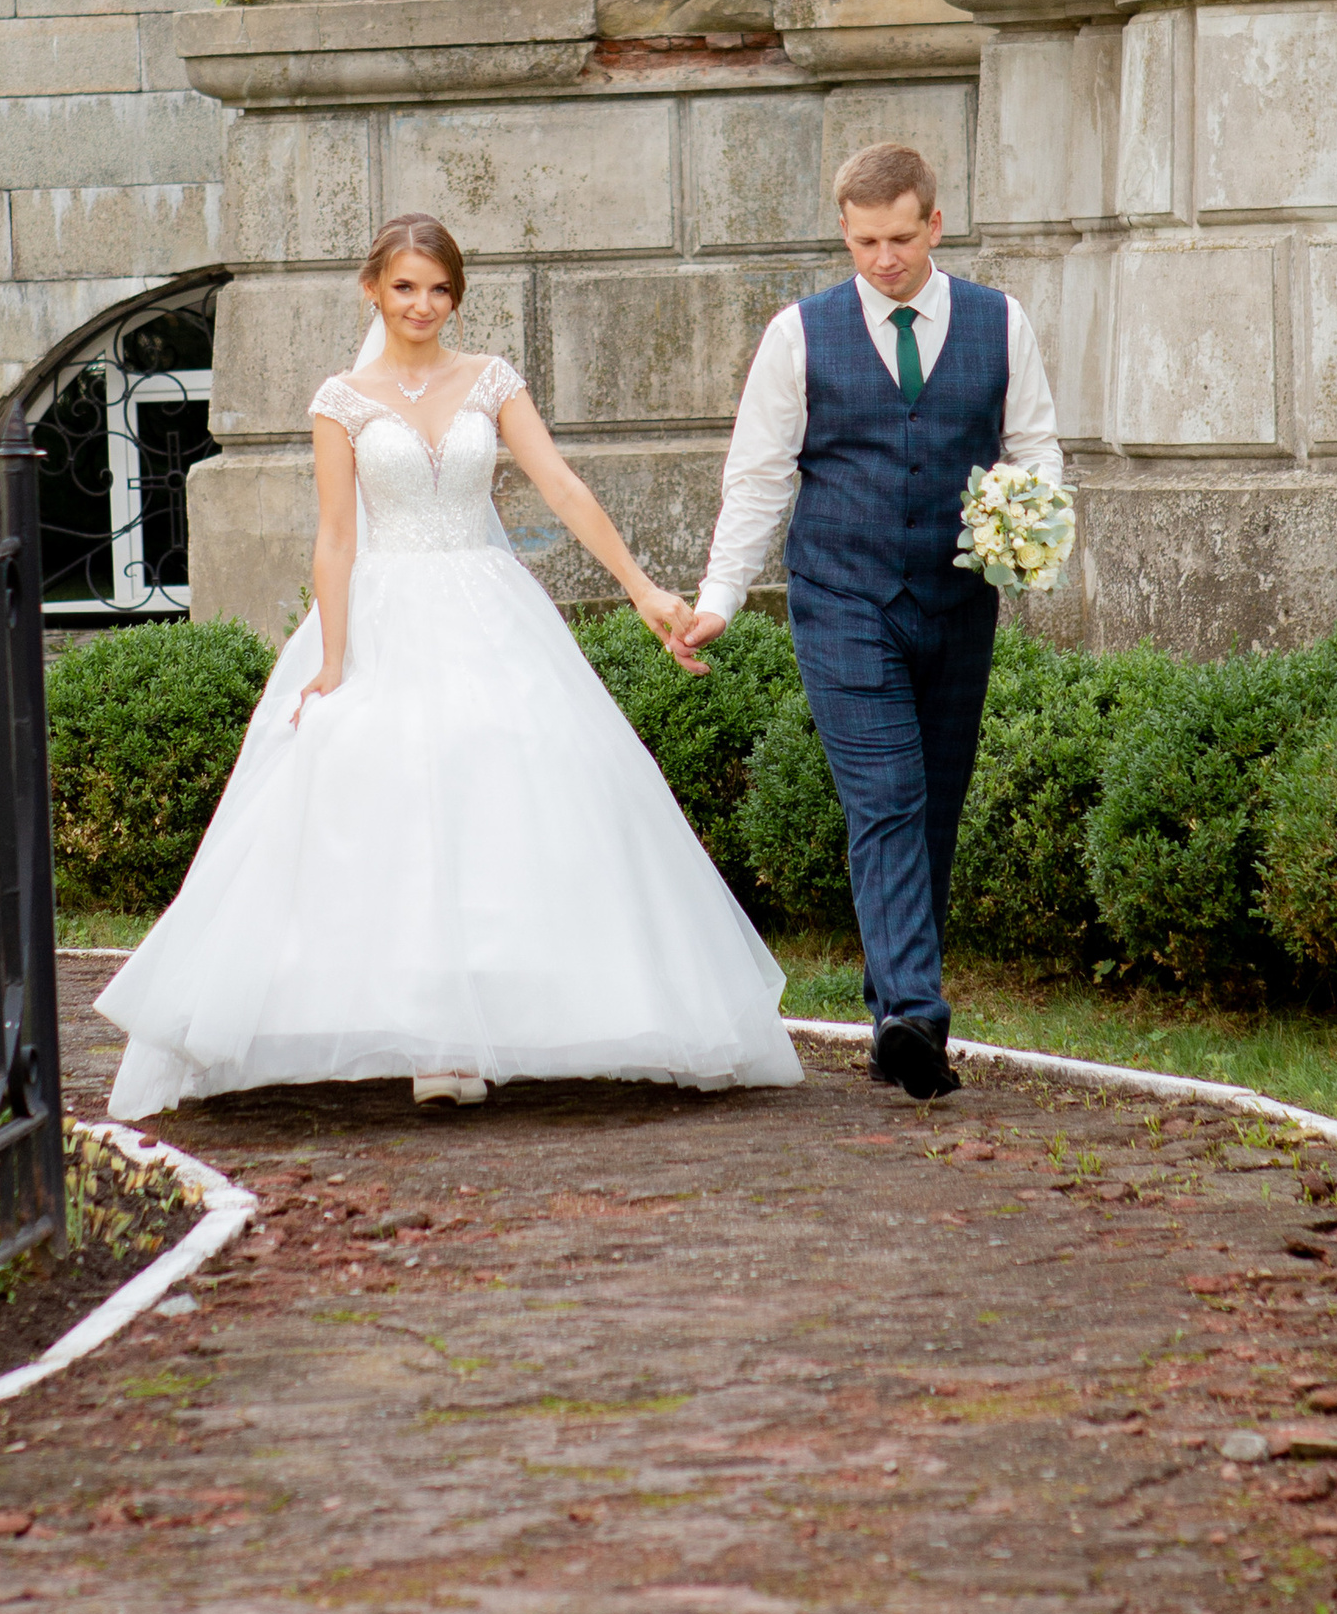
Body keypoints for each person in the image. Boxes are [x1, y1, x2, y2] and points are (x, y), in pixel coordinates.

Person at [97, 213, 801, 1116]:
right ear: (373, 291)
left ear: (455, 297)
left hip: (486, 605)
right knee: (379, 791)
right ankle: (422, 1029)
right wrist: (335, 660)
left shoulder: (489, 382)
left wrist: (642, 590)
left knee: (502, 781)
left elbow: (561, 486)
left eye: (438, 289)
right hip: (382, 613)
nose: (421, 304)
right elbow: (336, 537)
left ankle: (488, 1027)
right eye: (404, 287)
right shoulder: (340, 400)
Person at [678, 142, 1063, 1102]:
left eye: (898, 237)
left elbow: (1034, 449)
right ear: (845, 232)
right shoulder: (799, 335)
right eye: (862, 241)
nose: (882, 258)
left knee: (932, 804)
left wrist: (1030, 538)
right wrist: (721, 599)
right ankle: (911, 1017)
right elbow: (759, 477)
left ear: (934, 224)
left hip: (958, 599)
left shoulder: (998, 323)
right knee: (886, 794)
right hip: (843, 600)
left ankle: (895, 993)